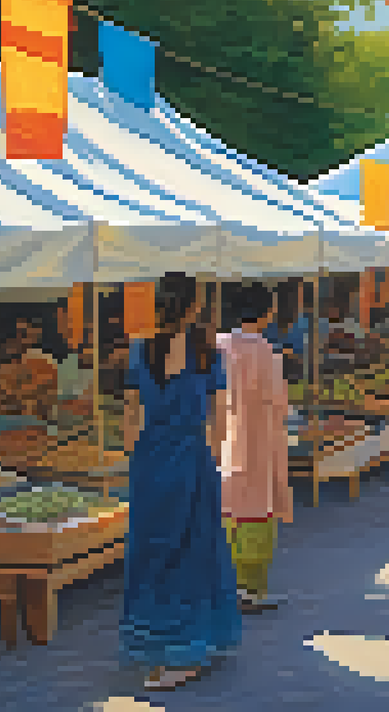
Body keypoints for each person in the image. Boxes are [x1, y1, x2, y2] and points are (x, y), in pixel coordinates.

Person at [120, 272, 240, 691]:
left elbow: (130, 420)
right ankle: (187, 648)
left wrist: (137, 459)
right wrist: (214, 461)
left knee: (152, 551)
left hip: (149, 460)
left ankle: (157, 641)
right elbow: (219, 418)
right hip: (191, 459)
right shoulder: (206, 351)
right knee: (192, 551)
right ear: (195, 306)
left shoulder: (139, 349)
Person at [215, 283, 292, 614]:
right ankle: (250, 589)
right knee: (256, 514)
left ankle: (221, 585)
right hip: (258, 441)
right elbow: (279, 402)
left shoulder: (217, 346)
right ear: (266, 313)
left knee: (224, 511)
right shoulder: (266, 353)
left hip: (220, 439)